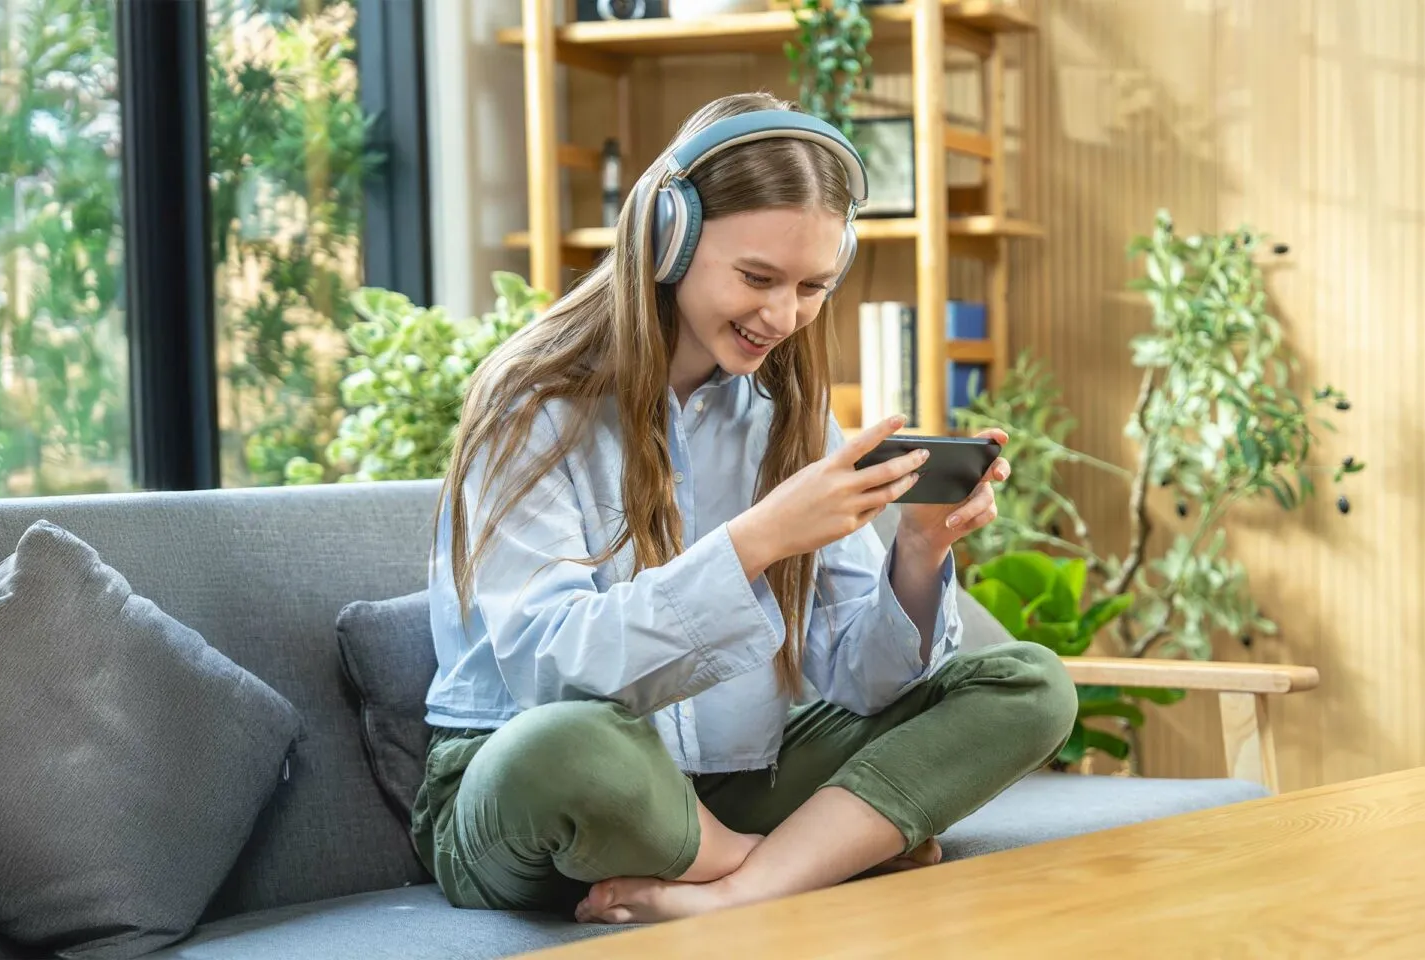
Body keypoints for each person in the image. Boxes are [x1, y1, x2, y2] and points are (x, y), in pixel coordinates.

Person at [410, 91, 1077, 926]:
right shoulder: (532, 405)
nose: (783, 316)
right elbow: (553, 674)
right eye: (757, 278)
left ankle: (742, 888)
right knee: (566, 747)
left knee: (1028, 685)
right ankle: (805, 859)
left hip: (733, 777)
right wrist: (755, 542)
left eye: (812, 286)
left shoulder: (786, 415)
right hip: (533, 790)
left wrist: (918, 552)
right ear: (669, 239)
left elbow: (859, 682)